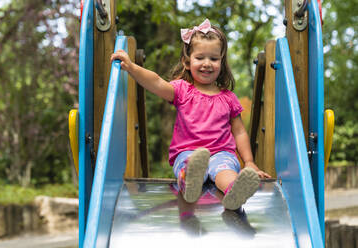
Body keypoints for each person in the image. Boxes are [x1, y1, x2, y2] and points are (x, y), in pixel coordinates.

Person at [111, 19, 271, 211]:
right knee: (191, 165)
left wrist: (249, 162)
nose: (207, 64)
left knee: (226, 171)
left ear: (222, 61)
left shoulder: (228, 98)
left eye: (213, 58)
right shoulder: (182, 90)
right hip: (188, 152)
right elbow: (156, 82)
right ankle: (190, 184)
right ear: (187, 62)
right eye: (200, 58)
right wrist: (132, 68)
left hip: (222, 153)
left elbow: (239, 132)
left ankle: (235, 192)